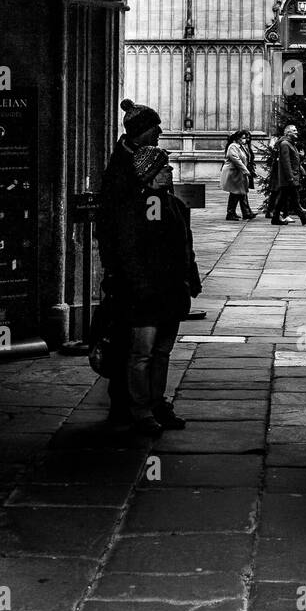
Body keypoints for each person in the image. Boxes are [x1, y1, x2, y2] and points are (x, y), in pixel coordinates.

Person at [97, 99, 202, 436]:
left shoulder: (167, 204)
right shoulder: (130, 190)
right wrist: (128, 279)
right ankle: (136, 408)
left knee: (159, 350)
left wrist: (189, 278)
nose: (159, 133)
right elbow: (126, 242)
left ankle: (154, 404)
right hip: (140, 288)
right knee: (139, 351)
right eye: (154, 128)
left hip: (166, 288)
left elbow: (182, 243)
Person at [271, 124, 306, 226]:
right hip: (288, 178)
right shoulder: (285, 144)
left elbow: (293, 160)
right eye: (294, 130)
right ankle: (303, 218)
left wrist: (300, 168)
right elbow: (286, 163)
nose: (296, 132)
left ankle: (275, 218)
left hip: (291, 176)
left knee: (283, 198)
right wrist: (290, 177)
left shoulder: (291, 144)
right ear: (288, 133)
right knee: (294, 199)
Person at [221, 129, 256, 220]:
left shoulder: (241, 146)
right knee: (236, 192)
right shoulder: (233, 146)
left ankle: (243, 212)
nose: (245, 140)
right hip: (233, 173)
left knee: (240, 192)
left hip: (239, 173)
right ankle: (232, 213)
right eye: (243, 138)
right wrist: (246, 171)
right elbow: (236, 160)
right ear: (238, 138)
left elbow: (245, 159)